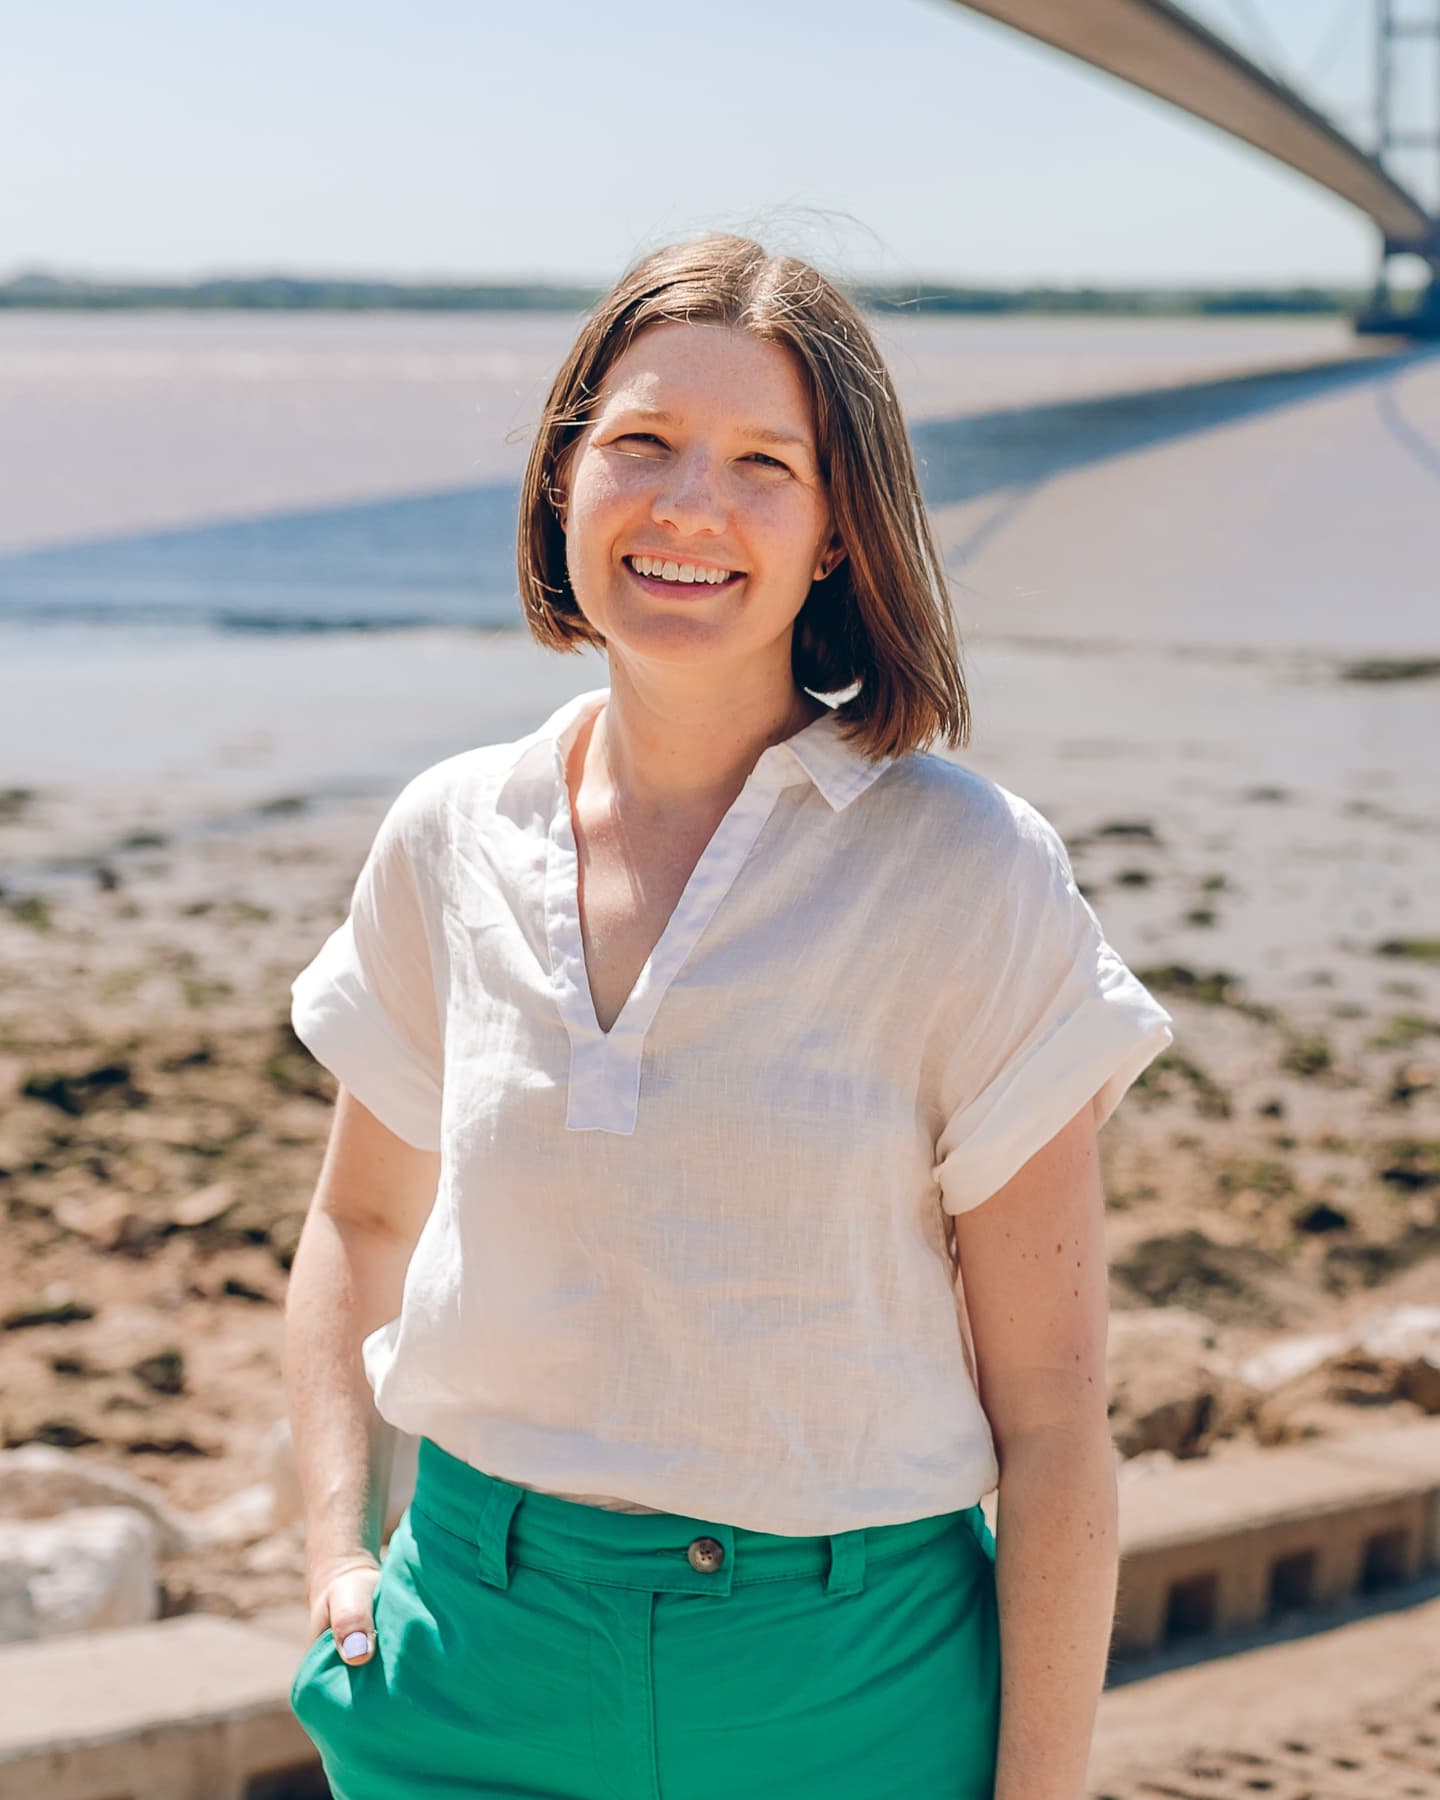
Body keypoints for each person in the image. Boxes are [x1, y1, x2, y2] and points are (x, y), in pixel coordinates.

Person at [283, 231, 1174, 1800]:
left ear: (838, 535)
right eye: (641, 443)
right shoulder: (449, 835)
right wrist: (334, 1550)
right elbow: (360, 1220)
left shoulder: (966, 866)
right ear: (565, 479)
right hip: (470, 1667)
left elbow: (1050, 1415)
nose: (689, 504)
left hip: (851, 1691)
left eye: (767, 462)